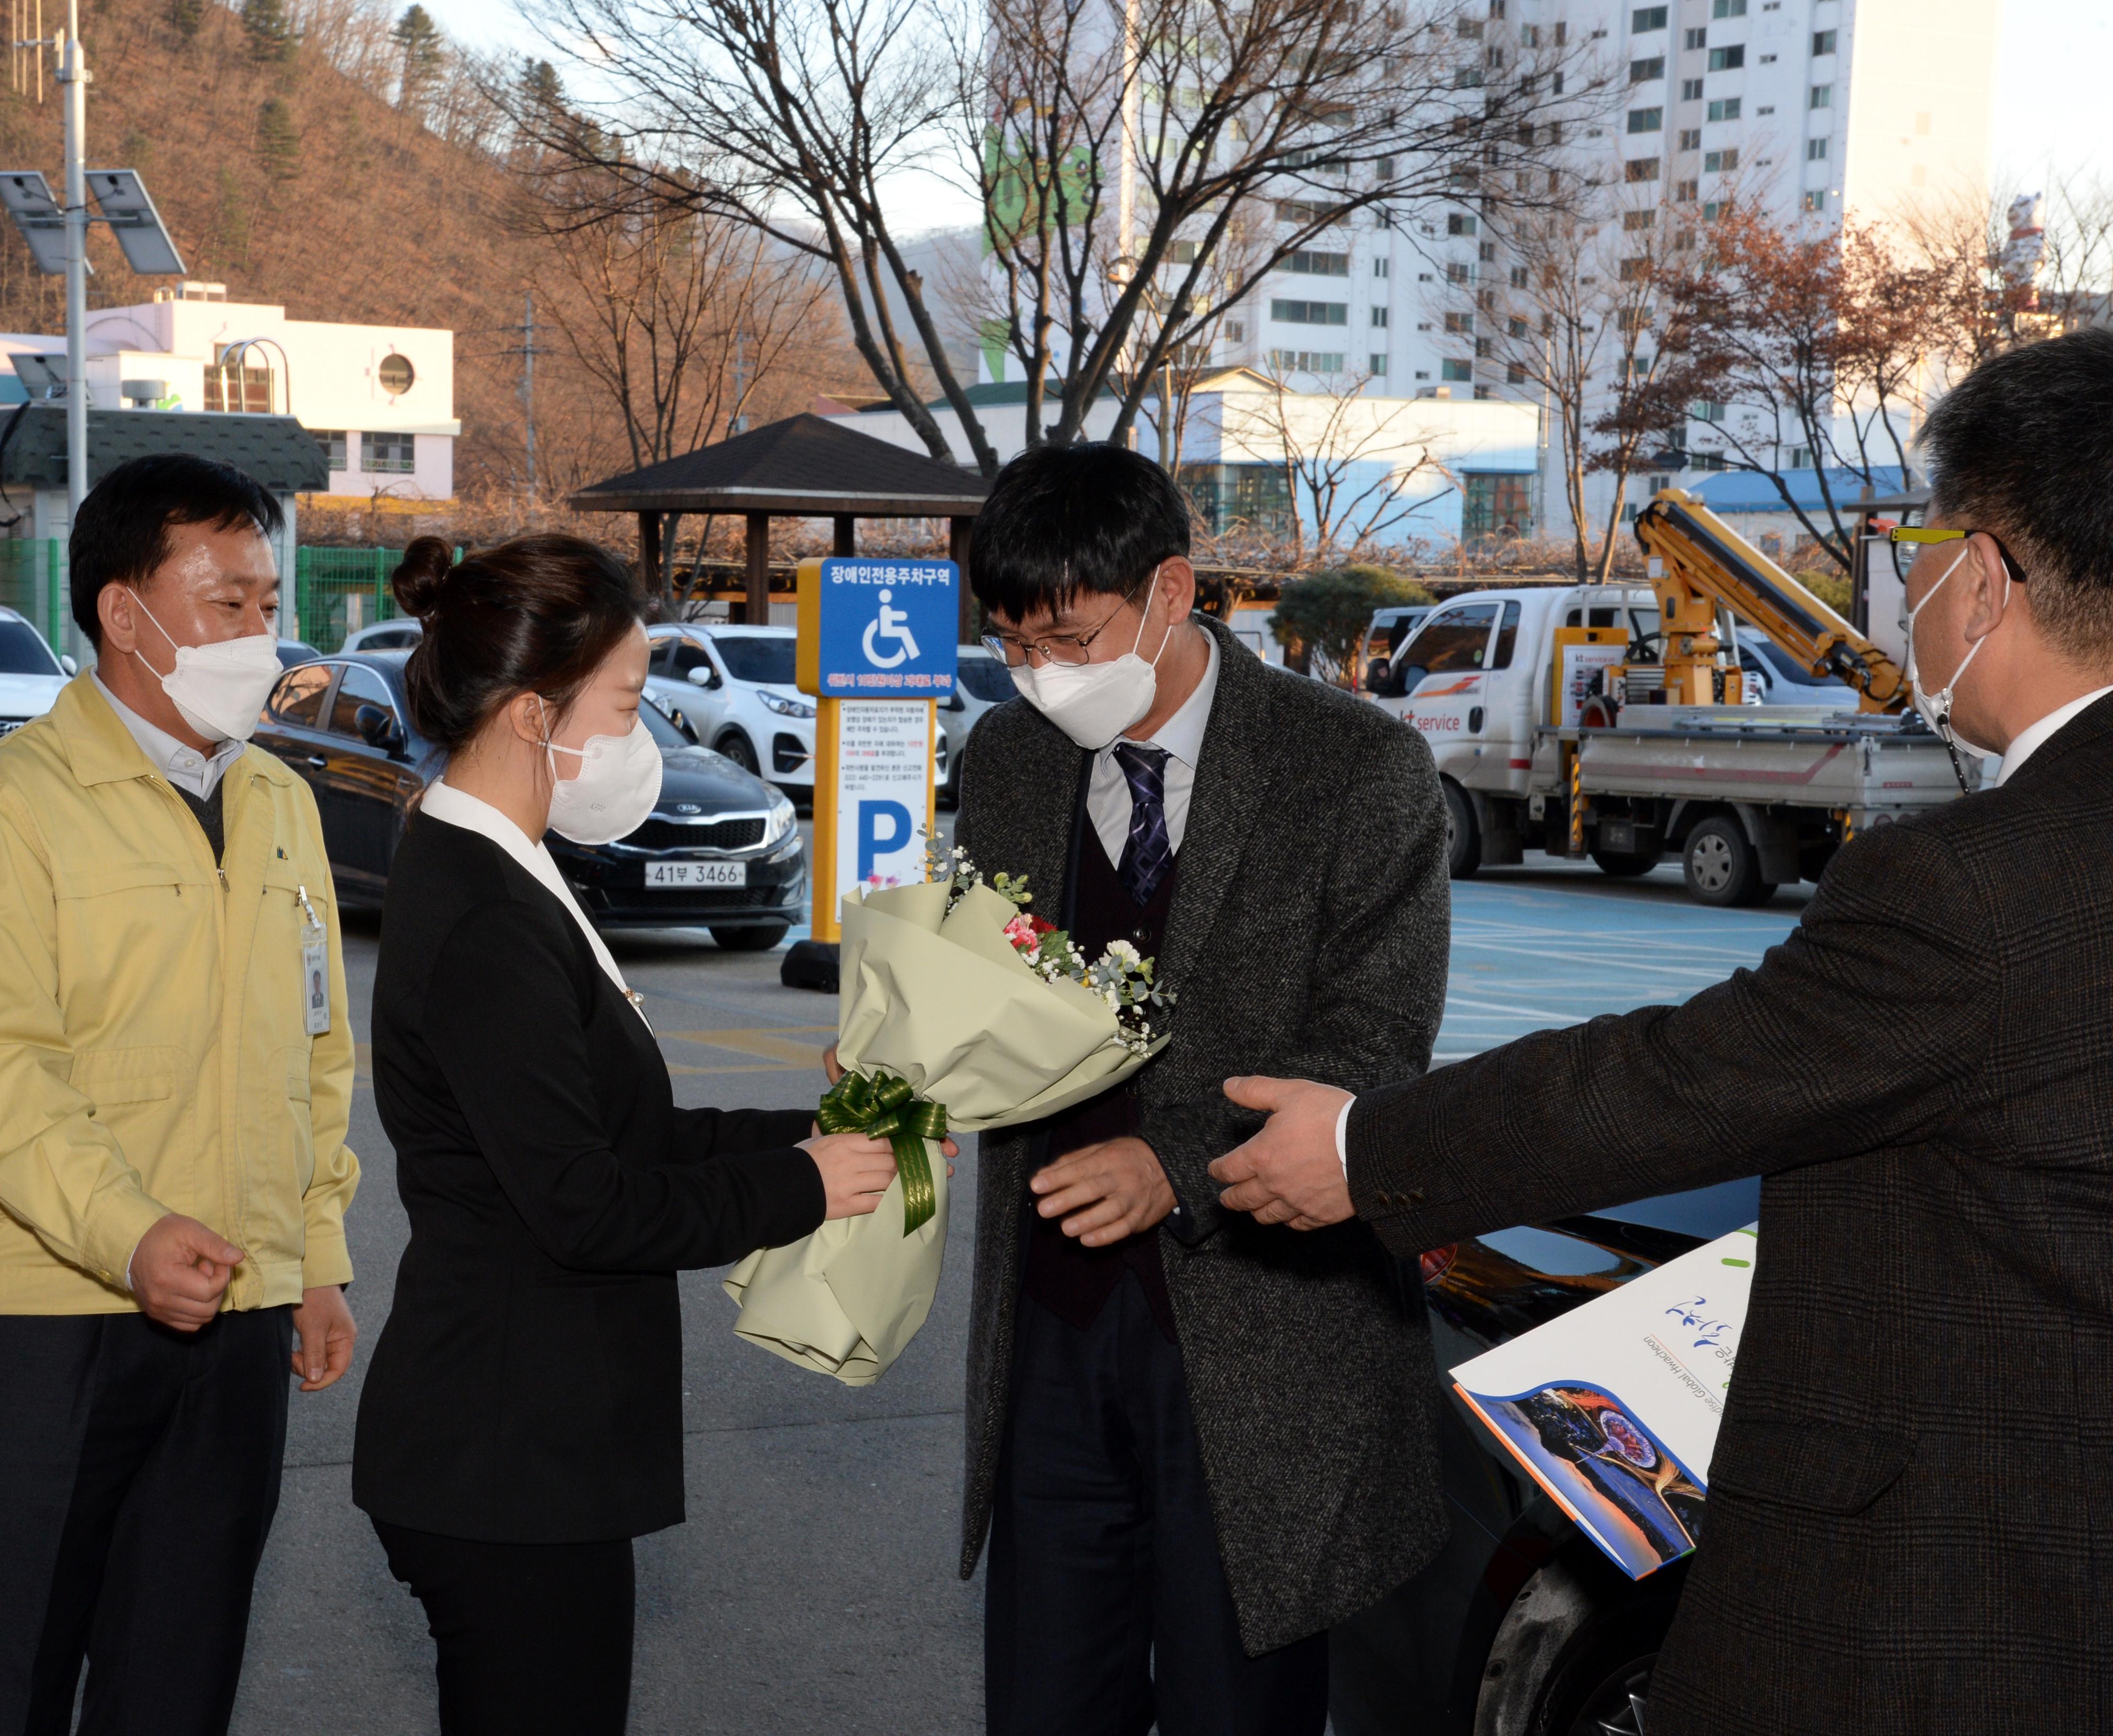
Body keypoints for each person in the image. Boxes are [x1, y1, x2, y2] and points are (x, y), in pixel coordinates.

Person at [1208, 328, 2113, 1733]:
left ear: (1986, 572)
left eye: (1923, 545)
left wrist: (1361, 1145)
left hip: (1952, 1606)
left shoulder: (1979, 879)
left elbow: (1682, 1079)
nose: (1913, 582)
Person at [355, 534, 923, 1736]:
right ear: (530, 713)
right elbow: (588, 1204)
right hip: (505, 1454)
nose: (643, 734)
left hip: (528, 1445)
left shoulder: (507, 868)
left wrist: (830, 1132)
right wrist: (805, 1186)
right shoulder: (484, 913)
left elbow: (636, 1131)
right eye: (626, 701)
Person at [950, 444, 1452, 1735]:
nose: (1040, 675)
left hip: (1263, 1344)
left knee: (1243, 1707)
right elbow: (991, 978)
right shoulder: (1007, 762)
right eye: (1012, 644)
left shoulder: (1354, 767)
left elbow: (1377, 1043)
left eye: (1067, 635)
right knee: (1048, 1701)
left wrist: (1173, 1162)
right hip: (1051, 1328)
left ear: (1171, 590)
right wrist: (914, 1055)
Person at [0, 455, 360, 1736]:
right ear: (122, 609)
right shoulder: (3, 811)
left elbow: (314, 1048)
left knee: (179, 1672)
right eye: (225, 602)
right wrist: (128, 1231)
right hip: (50, 1311)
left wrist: (311, 1252)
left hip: (239, 1305)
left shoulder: (276, 800)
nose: (259, 636)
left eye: (267, 602)